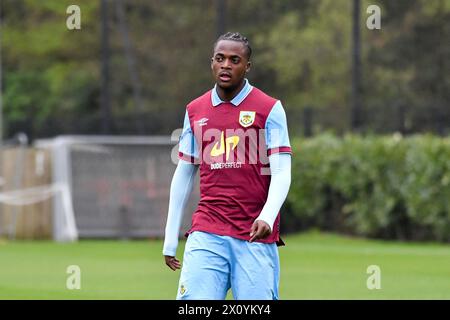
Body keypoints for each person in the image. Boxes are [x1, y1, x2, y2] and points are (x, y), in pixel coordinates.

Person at [163, 32, 292, 300]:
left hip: (254, 235)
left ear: (247, 66)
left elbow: (281, 172)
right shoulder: (195, 110)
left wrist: (267, 216)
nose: (226, 65)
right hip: (207, 230)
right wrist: (170, 236)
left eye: (235, 60)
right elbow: (185, 171)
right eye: (220, 59)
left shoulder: (270, 109)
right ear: (212, 62)